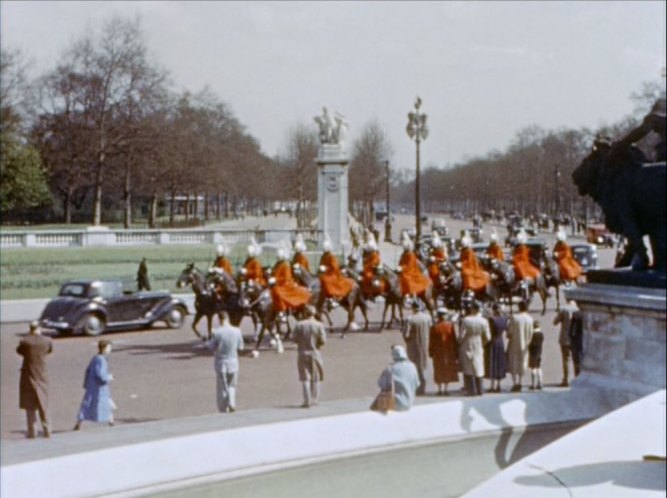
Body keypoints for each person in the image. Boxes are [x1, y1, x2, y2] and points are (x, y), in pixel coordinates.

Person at [17, 321, 53, 438]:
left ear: (30, 329)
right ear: (39, 328)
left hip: (28, 375)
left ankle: (32, 432)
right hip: (42, 375)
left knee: (30, 406)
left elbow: (20, 351)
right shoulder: (47, 340)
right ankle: (47, 430)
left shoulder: (25, 341)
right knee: (44, 404)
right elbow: (49, 351)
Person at [207, 311, 245, 413]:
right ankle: (232, 402)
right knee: (232, 385)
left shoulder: (217, 332)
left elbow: (210, 347)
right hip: (233, 362)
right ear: (228, 318)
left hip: (221, 363)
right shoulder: (237, 331)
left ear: (220, 319)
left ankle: (223, 409)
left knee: (222, 387)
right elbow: (241, 347)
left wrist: (209, 339)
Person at [74, 340, 115, 430]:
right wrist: (109, 377)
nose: (110, 349)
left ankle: (79, 422)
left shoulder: (95, 358)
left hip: (92, 387)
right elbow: (101, 375)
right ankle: (111, 421)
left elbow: (88, 370)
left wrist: (86, 384)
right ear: (104, 348)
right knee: (105, 403)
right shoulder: (102, 360)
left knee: (87, 404)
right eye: (109, 347)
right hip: (100, 388)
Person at [293, 306, 326, 408]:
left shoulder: (299, 325)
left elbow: (294, 339)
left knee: (305, 378)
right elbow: (323, 340)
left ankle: (306, 401)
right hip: (315, 352)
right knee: (315, 377)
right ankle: (314, 399)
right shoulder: (319, 325)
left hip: (303, 352)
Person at [458, 301, 491, 396]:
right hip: (478, 343)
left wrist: (460, 342)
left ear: (472, 309)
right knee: (478, 366)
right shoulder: (484, 321)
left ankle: (471, 390)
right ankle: (480, 389)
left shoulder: (466, 320)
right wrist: (483, 343)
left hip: (467, 343)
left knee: (468, 366)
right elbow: (488, 337)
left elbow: (461, 335)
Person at [402, 300, 432, 395]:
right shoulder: (427, 318)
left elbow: (406, 334)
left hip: (413, 345)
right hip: (425, 344)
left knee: (413, 366)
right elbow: (431, 329)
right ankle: (423, 387)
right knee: (423, 366)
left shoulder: (409, 319)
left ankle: (415, 386)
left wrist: (407, 340)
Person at [270, 248, 312, 316]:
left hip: (286, 284)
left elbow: (286, 278)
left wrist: (276, 280)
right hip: (279, 284)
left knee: (277, 291)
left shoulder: (286, 265)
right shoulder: (278, 264)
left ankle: (282, 309)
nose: (277, 258)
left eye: (278, 257)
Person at [377, 345, 420, 411]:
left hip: (396, 404)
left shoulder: (390, 368)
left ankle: (382, 413)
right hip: (409, 402)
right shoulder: (412, 366)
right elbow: (417, 384)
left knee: (384, 390)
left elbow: (380, 383)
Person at [428, 307, 459, 395]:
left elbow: (431, 341)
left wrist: (430, 352)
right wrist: (456, 352)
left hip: (437, 351)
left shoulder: (434, 327)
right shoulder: (450, 326)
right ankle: (445, 389)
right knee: (447, 369)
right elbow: (454, 339)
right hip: (448, 351)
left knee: (438, 369)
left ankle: (439, 389)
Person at [318, 236, 355, 305]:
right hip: (325, 273)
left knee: (326, 280)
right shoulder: (323, 256)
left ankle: (333, 296)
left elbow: (334, 267)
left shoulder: (331, 256)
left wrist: (326, 268)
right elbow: (321, 264)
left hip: (333, 273)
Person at [506, 301, 534, 392]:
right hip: (525, 344)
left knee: (513, 362)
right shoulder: (530, 319)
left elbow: (509, 332)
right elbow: (531, 333)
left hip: (514, 343)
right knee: (522, 362)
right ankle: (521, 382)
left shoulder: (514, 318)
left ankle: (515, 383)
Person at [398, 233, 432, 300]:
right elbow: (401, 262)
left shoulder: (411, 254)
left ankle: (411, 294)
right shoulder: (404, 253)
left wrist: (402, 268)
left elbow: (409, 265)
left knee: (406, 278)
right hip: (405, 269)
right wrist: (399, 267)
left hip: (412, 270)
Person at [553, 300, 577, 387]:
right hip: (575, 339)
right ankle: (577, 377)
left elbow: (555, 322)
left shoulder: (564, 309)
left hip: (565, 338)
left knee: (566, 359)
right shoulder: (578, 310)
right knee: (576, 359)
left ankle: (566, 379)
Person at [486, 303, 508, 393]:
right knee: (499, 363)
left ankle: (492, 385)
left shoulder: (492, 320)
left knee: (493, 363)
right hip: (500, 341)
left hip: (493, 341)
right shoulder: (504, 319)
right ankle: (498, 385)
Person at [361, 232, 386, 300]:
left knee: (368, 276)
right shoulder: (370, 253)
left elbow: (375, 262)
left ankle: (371, 292)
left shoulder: (374, 253)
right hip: (368, 267)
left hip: (372, 269)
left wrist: (367, 265)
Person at [528, 320, 544, 390]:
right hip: (539, 352)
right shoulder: (541, 334)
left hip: (533, 353)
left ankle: (533, 384)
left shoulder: (532, 334)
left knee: (533, 368)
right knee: (539, 367)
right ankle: (540, 382)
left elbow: (530, 343)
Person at [569, 309, 584, 377]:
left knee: (576, 361)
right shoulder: (584, 314)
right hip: (581, 340)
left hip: (576, 340)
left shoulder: (575, 314)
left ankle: (577, 375)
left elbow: (572, 331)